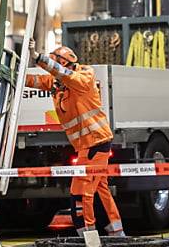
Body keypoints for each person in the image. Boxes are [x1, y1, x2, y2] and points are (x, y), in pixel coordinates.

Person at [25, 39, 125, 236]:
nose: (52, 74)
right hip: (87, 146)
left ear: (63, 64)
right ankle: (116, 232)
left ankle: (88, 234)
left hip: (96, 142)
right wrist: (12, 71)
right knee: (100, 189)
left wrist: (38, 57)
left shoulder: (84, 76)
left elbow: (66, 75)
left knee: (82, 191)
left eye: (55, 67)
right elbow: (33, 81)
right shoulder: (58, 83)